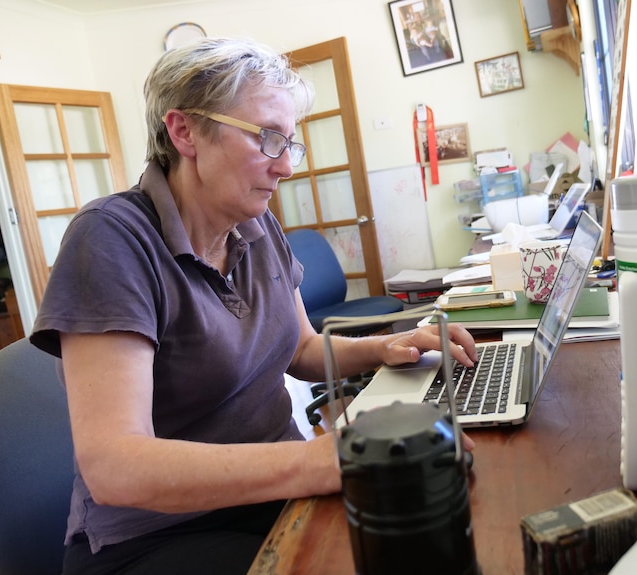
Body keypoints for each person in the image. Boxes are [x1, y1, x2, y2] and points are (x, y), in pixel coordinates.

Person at [29, 37, 478, 575]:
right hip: (160, 535)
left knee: (442, 514)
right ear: (184, 130)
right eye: (268, 139)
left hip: (269, 496)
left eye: (290, 143)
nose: (286, 167)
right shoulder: (111, 240)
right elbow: (115, 465)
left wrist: (388, 347)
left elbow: (302, 348)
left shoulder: (255, 222)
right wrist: (323, 458)